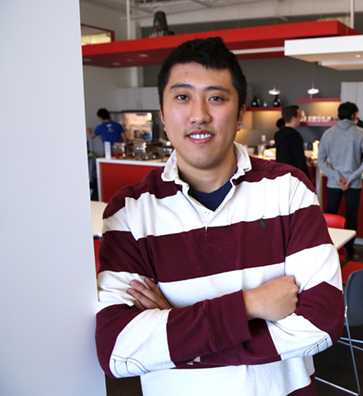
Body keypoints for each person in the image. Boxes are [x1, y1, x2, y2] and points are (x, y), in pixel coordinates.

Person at [95, 37, 344, 396]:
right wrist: (250, 304)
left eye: (216, 97)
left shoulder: (288, 190)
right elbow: (117, 350)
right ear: (163, 115)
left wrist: (178, 331)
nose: (199, 114)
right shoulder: (130, 213)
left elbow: (322, 323)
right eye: (182, 97)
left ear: (240, 113)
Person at [317, 102, 363, 261]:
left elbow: (320, 161)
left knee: (330, 216)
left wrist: (336, 175)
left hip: (334, 183)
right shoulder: (361, 133)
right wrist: (351, 177)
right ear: (353, 116)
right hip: (353, 184)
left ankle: (328, 249)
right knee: (351, 218)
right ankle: (349, 251)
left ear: (339, 115)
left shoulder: (328, 134)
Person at [274, 105, 310, 178]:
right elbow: (299, 162)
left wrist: (304, 158)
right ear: (293, 118)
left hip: (281, 175)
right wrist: (307, 180)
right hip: (293, 176)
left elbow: (287, 155)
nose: (300, 118)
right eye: (299, 116)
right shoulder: (295, 136)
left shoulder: (278, 135)